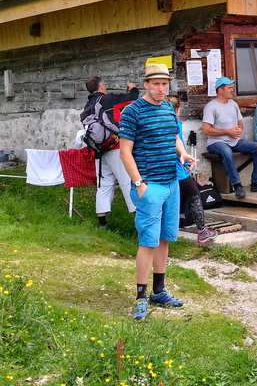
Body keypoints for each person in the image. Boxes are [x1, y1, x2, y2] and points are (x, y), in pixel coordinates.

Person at [119, 63, 195, 321]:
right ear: (146, 84)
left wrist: (183, 153)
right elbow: (125, 151)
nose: (162, 89)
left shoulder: (167, 108)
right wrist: (139, 183)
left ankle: (158, 292)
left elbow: (174, 137)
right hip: (149, 186)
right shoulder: (132, 112)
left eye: (165, 84)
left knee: (164, 238)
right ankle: (141, 297)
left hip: (171, 183)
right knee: (147, 242)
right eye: (156, 84)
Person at [82, 76, 139, 228]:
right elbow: (132, 99)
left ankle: (102, 223)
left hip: (99, 151)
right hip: (115, 147)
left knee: (104, 184)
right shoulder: (107, 99)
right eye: (104, 85)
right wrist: (132, 88)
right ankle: (139, 221)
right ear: (101, 87)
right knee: (127, 181)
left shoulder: (87, 105)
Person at [202, 77, 257, 199]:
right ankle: (237, 185)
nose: (232, 90)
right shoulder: (211, 107)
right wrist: (227, 132)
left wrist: (239, 130)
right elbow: (206, 130)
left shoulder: (233, 104)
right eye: (229, 88)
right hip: (216, 142)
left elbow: (240, 122)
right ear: (220, 90)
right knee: (226, 151)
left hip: (234, 140)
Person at [167, 95, 218, 245]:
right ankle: (202, 232)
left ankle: (168, 231)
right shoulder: (175, 123)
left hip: (167, 168)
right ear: (178, 109)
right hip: (176, 169)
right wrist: (184, 160)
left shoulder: (163, 122)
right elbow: (177, 146)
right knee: (195, 194)